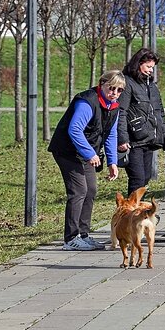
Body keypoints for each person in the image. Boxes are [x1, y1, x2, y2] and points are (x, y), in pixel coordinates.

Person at [48, 70, 123, 251]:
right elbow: (74, 129)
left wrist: (113, 162)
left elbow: (111, 134)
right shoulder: (87, 101)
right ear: (102, 84)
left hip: (86, 153)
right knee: (78, 191)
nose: (114, 93)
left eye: (119, 90)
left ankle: (83, 235)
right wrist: (90, 154)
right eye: (111, 88)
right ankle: (71, 239)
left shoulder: (113, 107)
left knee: (90, 190)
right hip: (67, 151)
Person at [117, 48, 165, 195]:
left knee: (145, 178)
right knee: (138, 179)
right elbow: (121, 112)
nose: (150, 70)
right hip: (134, 141)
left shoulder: (151, 86)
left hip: (149, 140)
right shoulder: (128, 83)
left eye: (152, 67)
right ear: (138, 63)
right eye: (148, 66)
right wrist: (122, 138)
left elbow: (159, 113)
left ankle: (136, 207)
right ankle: (132, 209)